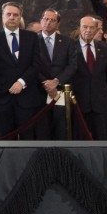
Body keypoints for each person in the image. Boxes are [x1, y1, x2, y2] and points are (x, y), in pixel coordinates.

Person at [0, 2, 49, 140]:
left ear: (20, 17)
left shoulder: (31, 37)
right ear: (3, 17)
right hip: (2, 99)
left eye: (15, 15)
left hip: (27, 99)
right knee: (6, 139)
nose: (12, 17)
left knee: (28, 138)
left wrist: (22, 82)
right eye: (8, 14)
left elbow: (36, 64)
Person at [69, 15, 107, 139]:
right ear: (79, 28)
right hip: (78, 103)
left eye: (91, 28)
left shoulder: (104, 49)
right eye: (85, 27)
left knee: (102, 138)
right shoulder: (70, 48)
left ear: (96, 30)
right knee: (79, 140)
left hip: (101, 103)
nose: (88, 30)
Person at [35, 8, 79, 140]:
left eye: (52, 20)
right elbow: (31, 66)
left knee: (61, 131)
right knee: (42, 132)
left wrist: (56, 81)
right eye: (45, 19)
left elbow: (72, 65)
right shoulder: (32, 41)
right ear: (41, 21)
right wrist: (46, 83)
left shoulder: (67, 42)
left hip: (61, 92)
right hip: (39, 92)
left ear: (58, 24)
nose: (48, 22)